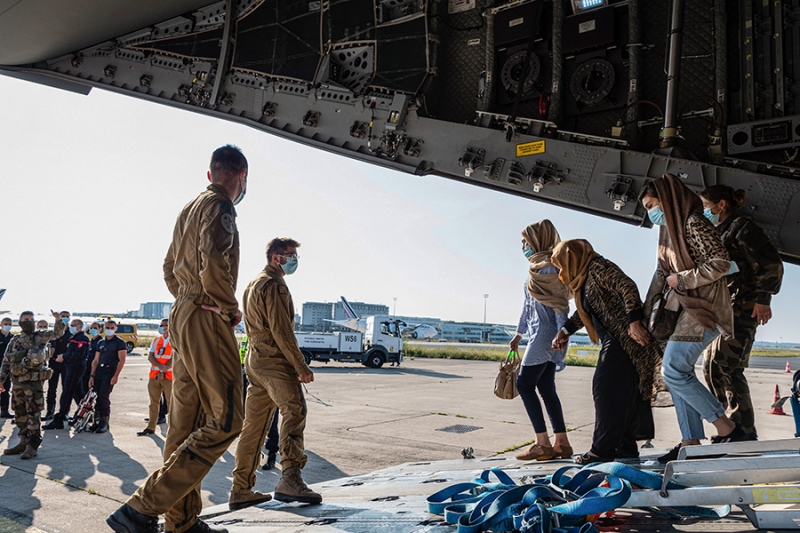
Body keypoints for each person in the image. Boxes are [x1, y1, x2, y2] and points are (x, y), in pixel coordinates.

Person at [108, 144, 248, 533]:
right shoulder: (221, 206)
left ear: (210, 173)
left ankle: (181, 521)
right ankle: (141, 507)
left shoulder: (188, 209)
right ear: (240, 177)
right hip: (206, 312)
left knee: (185, 423)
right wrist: (225, 305)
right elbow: (215, 258)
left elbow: (170, 266)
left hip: (183, 313)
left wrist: (184, 297)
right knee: (227, 420)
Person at [640, 174, 748, 463]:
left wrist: (683, 279)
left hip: (706, 306)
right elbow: (661, 274)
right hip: (686, 309)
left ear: (668, 201)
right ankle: (691, 442)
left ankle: (726, 428)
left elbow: (719, 262)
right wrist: (643, 311)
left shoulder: (692, 222)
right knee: (677, 374)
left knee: (673, 369)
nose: (650, 212)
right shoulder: (668, 233)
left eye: (652, 205)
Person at [229, 238, 321, 510]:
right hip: (273, 360)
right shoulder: (275, 284)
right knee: (295, 410)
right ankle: (290, 478)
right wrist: (300, 365)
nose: (293, 260)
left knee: (254, 426)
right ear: (274, 257)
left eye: (295, 256)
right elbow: (282, 330)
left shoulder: (253, 282)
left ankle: (240, 488)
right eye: (289, 255)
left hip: (255, 360)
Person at [551, 239, 661, 464]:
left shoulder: (598, 267)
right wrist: (565, 330)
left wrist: (633, 320)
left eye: (562, 265)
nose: (562, 272)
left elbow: (627, 286)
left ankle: (601, 450)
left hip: (623, 339)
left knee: (606, 391)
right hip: (617, 339)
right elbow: (584, 312)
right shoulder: (585, 279)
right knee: (622, 396)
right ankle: (625, 448)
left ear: (574, 257)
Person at [699, 185, 784, 439]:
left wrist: (764, 299)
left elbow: (772, 265)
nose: (704, 212)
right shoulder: (720, 231)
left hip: (745, 305)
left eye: (705, 206)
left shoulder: (743, 229)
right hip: (726, 307)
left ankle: (743, 429)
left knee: (726, 365)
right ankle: (728, 423)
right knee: (711, 366)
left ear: (721, 204)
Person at [509, 220, 573, 462]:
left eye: (526, 242)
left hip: (546, 334)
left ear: (539, 240)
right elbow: (528, 307)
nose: (524, 246)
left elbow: (560, 304)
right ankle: (562, 442)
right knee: (546, 388)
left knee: (524, 385)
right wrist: (519, 333)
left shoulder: (550, 268)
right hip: (538, 333)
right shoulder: (535, 268)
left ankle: (542, 443)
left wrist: (561, 332)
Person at [0, 310, 65, 459]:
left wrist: (58, 320)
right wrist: (1, 379)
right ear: (21, 321)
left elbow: (57, 333)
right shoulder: (15, 340)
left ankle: (32, 445)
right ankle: (23, 440)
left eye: (31, 319)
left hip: (33, 384)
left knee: (33, 412)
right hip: (17, 383)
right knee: (19, 412)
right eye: (25, 319)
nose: (28, 321)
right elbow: (6, 361)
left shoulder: (39, 337)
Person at [43, 318, 90, 430]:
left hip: (75, 368)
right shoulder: (74, 337)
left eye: (74, 325)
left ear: (80, 326)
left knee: (67, 392)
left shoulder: (82, 338)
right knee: (78, 393)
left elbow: (79, 355)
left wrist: (64, 357)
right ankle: (83, 414)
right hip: (70, 366)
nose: (71, 327)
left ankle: (59, 419)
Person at [87, 319, 127, 433]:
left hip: (110, 372)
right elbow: (95, 360)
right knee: (96, 397)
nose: (109, 330)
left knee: (104, 397)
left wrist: (116, 376)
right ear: (104, 329)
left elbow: (122, 360)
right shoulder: (101, 342)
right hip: (99, 371)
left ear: (115, 329)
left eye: (112, 328)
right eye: (107, 328)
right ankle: (96, 421)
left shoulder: (119, 342)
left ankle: (104, 423)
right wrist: (92, 376)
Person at [138, 319, 172, 436]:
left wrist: (164, 368)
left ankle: (173, 429)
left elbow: (177, 357)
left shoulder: (176, 340)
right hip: (154, 376)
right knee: (154, 402)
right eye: (161, 325)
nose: (162, 327)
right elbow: (151, 356)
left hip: (169, 377)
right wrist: (159, 367)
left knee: (171, 403)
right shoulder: (156, 340)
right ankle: (151, 427)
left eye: (165, 325)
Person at [43, 310, 70, 421]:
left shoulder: (71, 334)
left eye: (66, 316)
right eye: (62, 316)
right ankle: (50, 411)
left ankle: (64, 412)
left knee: (66, 389)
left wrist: (65, 356)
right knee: (51, 388)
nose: (64, 318)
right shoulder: (54, 332)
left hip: (66, 364)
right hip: (54, 363)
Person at [0, 316, 15, 418]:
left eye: (9, 324)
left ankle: (4, 410)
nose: (8, 326)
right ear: (1, 325)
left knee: (6, 388)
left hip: (7, 367)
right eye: (6, 324)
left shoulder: (13, 338)